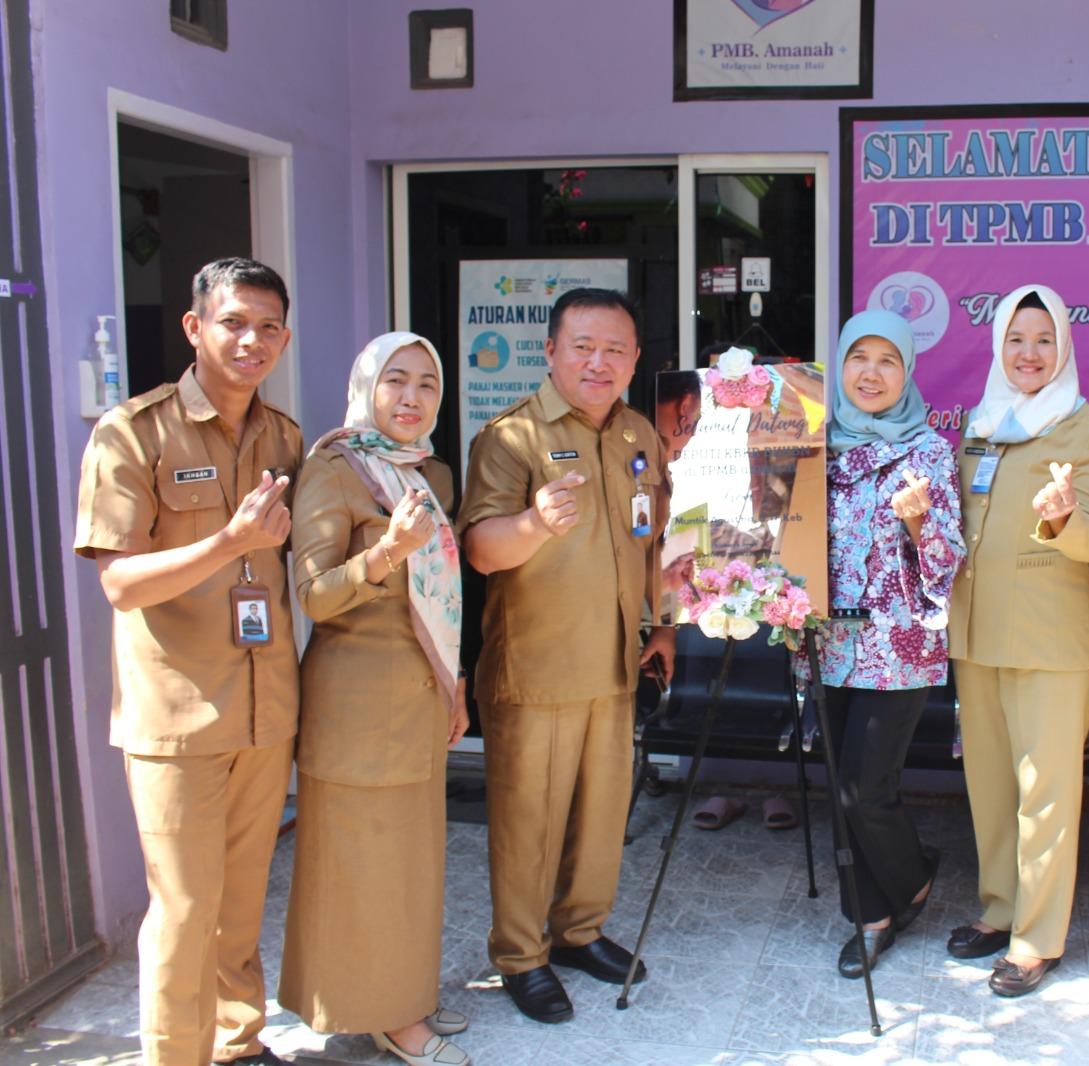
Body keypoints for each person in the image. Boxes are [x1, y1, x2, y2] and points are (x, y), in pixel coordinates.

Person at [73, 258, 300, 1066]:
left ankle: (239, 1043)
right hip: (177, 715)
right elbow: (120, 581)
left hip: (265, 707)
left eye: (269, 326)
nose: (253, 340)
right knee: (183, 907)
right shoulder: (132, 431)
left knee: (240, 904)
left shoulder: (283, 436)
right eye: (235, 321)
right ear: (194, 326)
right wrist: (229, 542)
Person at [457, 288, 675, 1024]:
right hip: (536, 669)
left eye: (616, 349)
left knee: (603, 813)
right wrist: (533, 523)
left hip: (615, 664)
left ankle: (579, 932)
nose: (599, 361)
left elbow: (655, 542)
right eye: (582, 346)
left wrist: (664, 623)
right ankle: (521, 956)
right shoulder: (510, 438)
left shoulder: (639, 433)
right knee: (529, 824)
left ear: (636, 358)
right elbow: (482, 550)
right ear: (549, 351)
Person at [277, 333, 472, 1065]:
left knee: (410, 866)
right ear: (367, 387)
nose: (413, 396)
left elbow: (440, 598)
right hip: (355, 708)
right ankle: (391, 1019)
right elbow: (315, 596)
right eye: (396, 379)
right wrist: (386, 551)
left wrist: (453, 682)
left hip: (419, 699)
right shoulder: (332, 471)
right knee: (364, 868)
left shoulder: (430, 476)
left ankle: (405, 994)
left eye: (427, 383)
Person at [945, 285, 1089, 997]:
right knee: (988, 786)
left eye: (1044, 340)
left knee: (1045, 795)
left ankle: (1036, 937)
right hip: (977, 635)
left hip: (1051, 642)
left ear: (1065, 348)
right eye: (1017, 340)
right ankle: (1000, 907)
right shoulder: (980, 426)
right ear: (998, 347)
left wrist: (1063, 517)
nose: (1029, 353)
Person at [811, 309, 964, 978]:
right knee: (841, 785)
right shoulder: (814, 446)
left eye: (887, 361)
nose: (871, 373)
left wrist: (923, 520)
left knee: (862, 788)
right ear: (839, 367)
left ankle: (891, 901)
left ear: (906, 372)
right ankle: (878, 900)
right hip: (825, 642)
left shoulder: (926, 450)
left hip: (897, 647)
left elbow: (949, 559)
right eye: (858, 359)